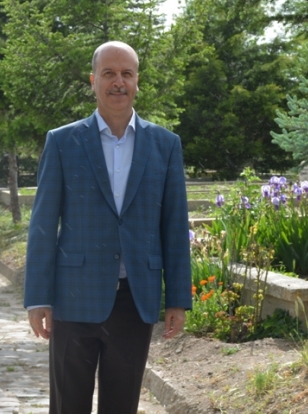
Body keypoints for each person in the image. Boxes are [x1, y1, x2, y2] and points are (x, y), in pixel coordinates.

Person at [23, 41, 192, 413]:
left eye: (127, 74)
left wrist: (178, 298)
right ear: (93, 80)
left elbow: (174, 226)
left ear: (137, 81)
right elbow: (43, 224)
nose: (119, 82)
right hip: (73, 296)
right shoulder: (62, 142)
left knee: (121, 406)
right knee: (68, 406)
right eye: (109, 73)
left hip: (136, 298)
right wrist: (38, 297)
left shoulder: (165, 145)